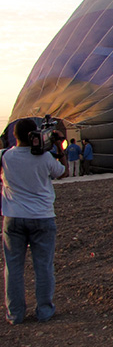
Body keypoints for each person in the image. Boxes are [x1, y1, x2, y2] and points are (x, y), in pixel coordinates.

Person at [1, 118, 66, 324]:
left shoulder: (5, 157)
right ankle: (45, 311)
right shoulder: (45, 158)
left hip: (13, 218)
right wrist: (59, 147)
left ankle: (15, 314)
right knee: (43, 266)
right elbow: (62, 172)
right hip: (42, 218)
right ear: (34, 135)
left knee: (13, 268)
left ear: (15, 136)